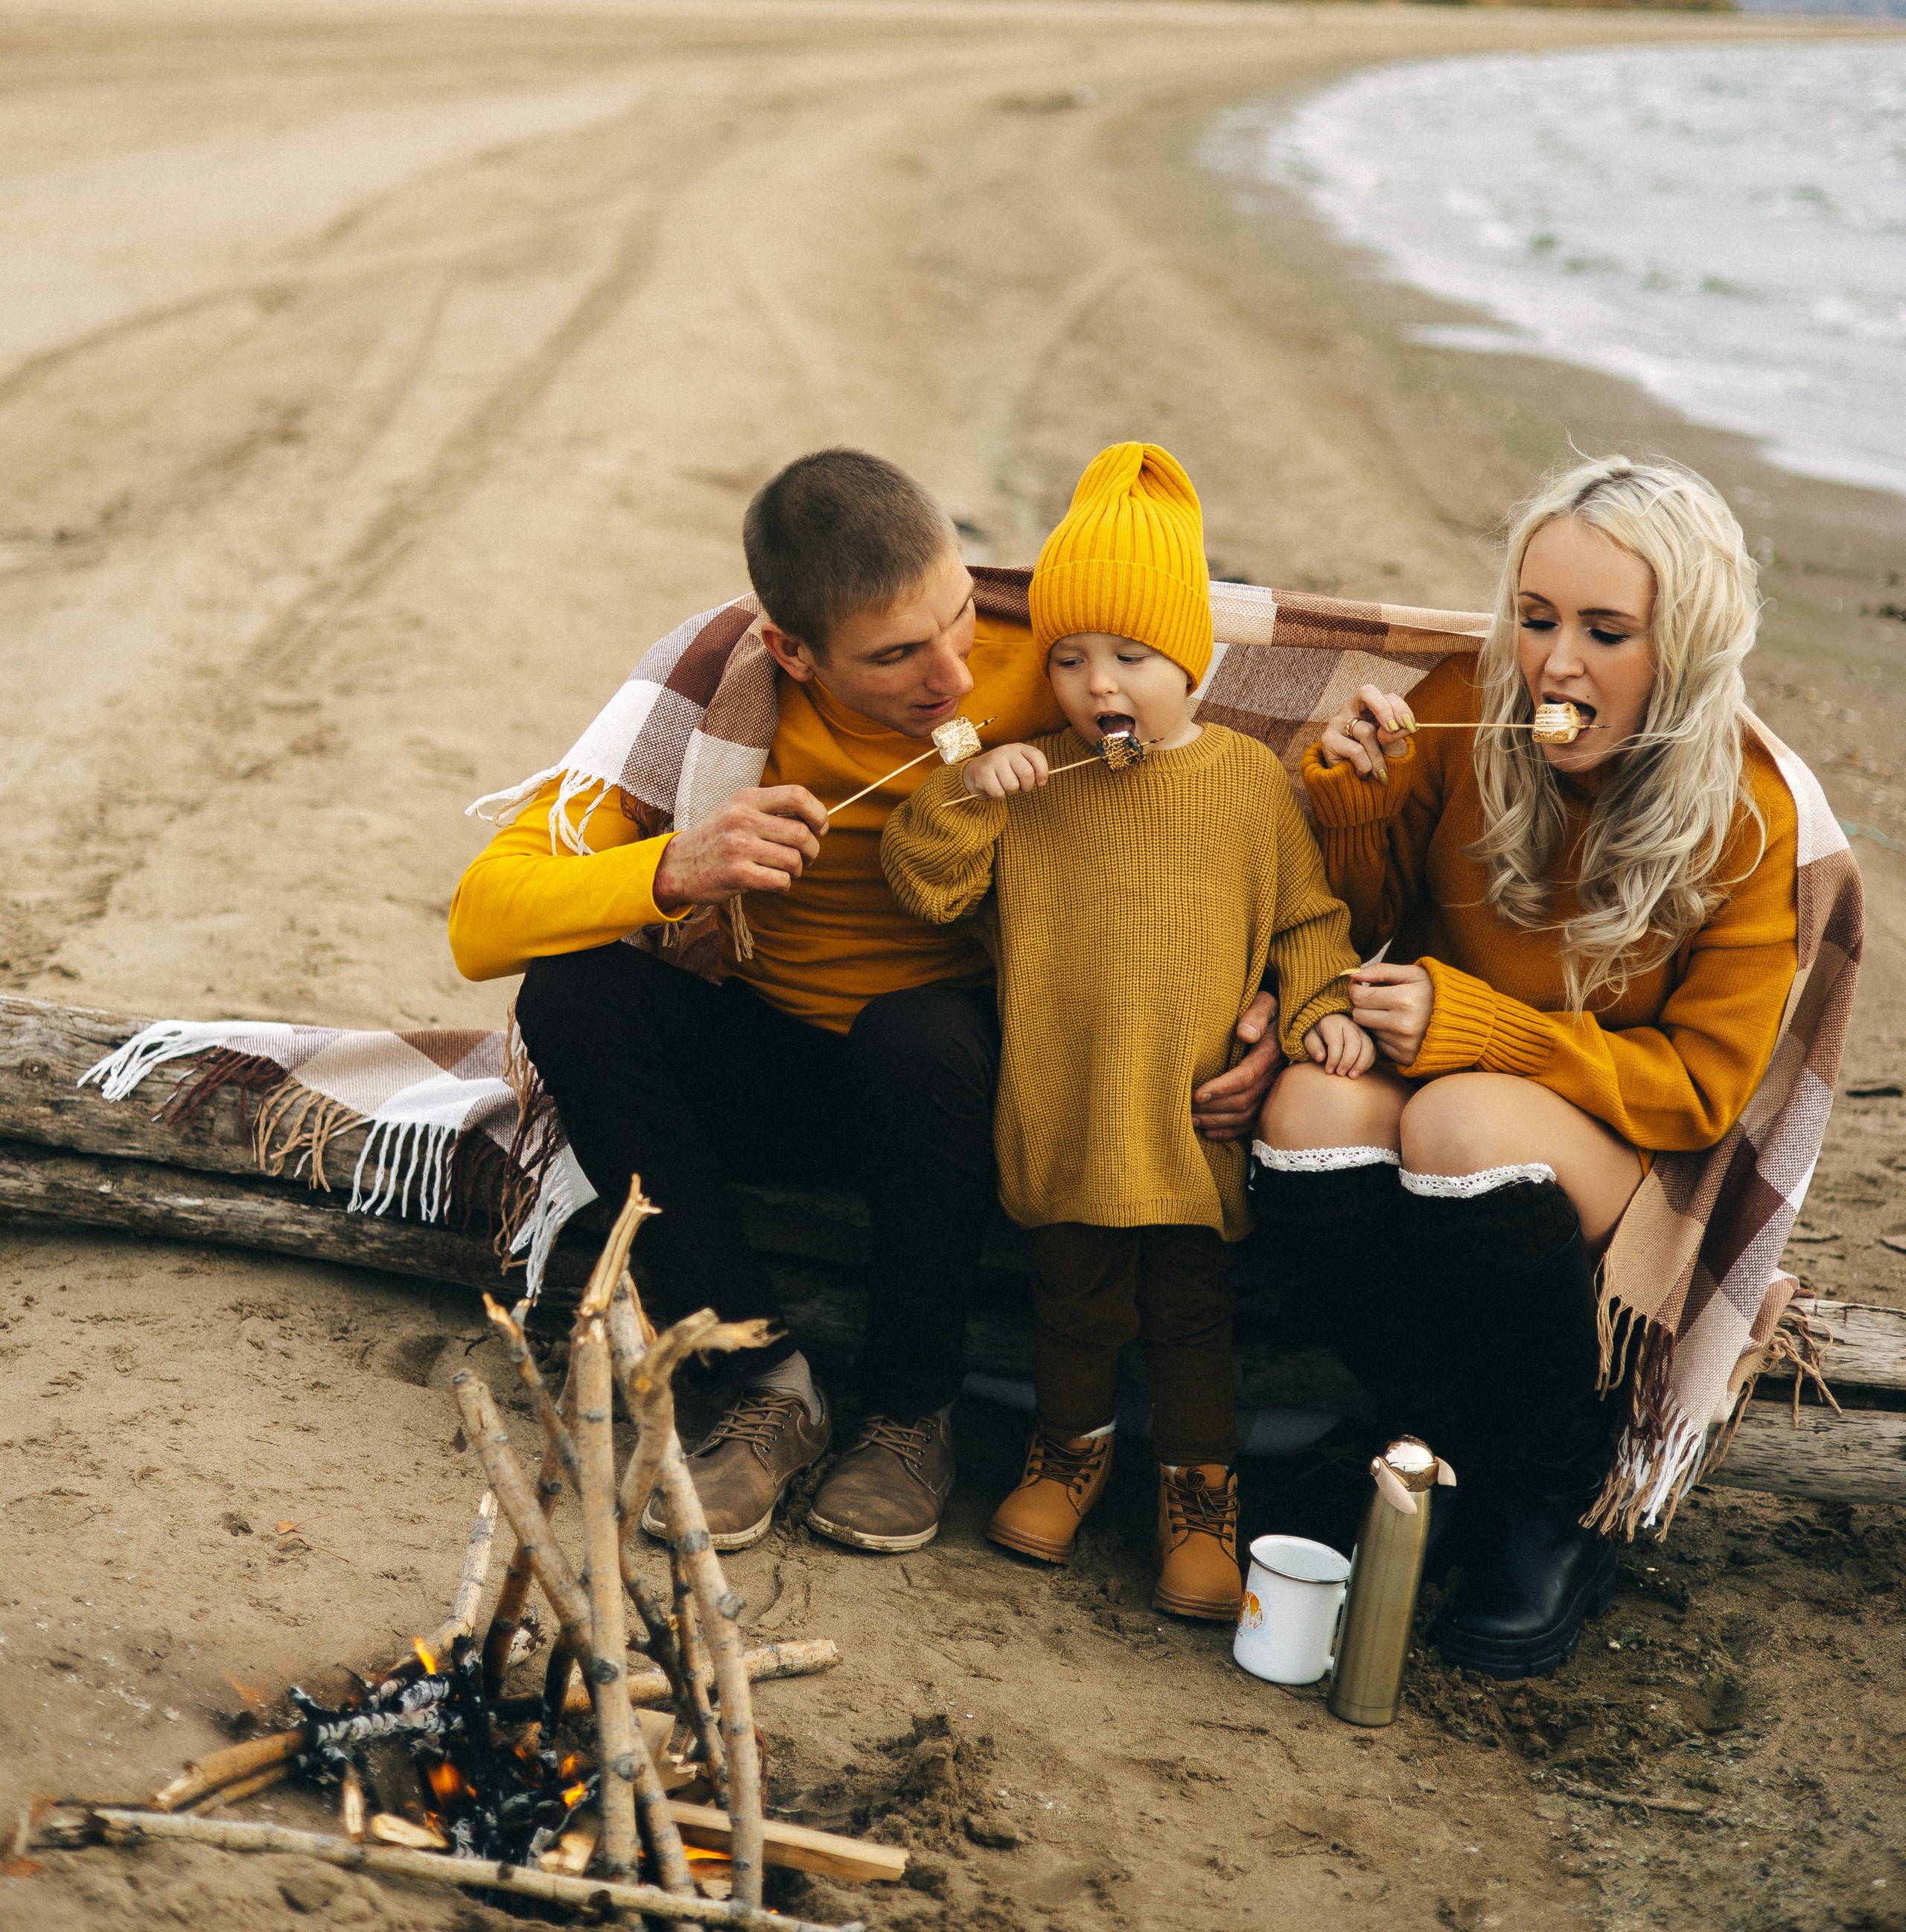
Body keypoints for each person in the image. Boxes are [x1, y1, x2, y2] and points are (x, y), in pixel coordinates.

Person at [448, 448, 1281, 1556]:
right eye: (896, 656)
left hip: (973, 1094)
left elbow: (1224, 806)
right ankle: (764, 1382)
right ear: (792, 650)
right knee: (574, 992)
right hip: (779, 1074)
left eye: (954, 624)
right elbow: (479, 922)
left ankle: (908, 1415)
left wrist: (1260, 994)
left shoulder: (1064, 659)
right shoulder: (719, 687)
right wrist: (674, 868)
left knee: (921, 1029)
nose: (949, 677)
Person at [1252, 454, 1800, 1677]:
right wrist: (1350, 801)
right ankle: (1429, 1444)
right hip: (1448, 1079)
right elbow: (1370, 923)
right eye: (1536, 618)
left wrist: (1490, 1035)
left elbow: (1702, 1089)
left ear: (1689, 645)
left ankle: (1551, 1497)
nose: (1555, 665)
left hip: (1619, 1150)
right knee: (1306, 1106)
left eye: (1608, 632)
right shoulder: (1463, 705)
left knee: (1461, 1124)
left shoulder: (1748, 815)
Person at [882, 444, 1371, 1622]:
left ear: (1190, 663)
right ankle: (1067, 1456)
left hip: (1189, 1123)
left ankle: (1198, 1502)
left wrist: (1320, 1016)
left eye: (1133, 658)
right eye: (1069, 659)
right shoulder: (1030, 782)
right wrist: (960, 790)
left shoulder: (1251, 783)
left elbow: (1308, 920)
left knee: (1193, 1319)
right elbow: (923, 885)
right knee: (1076, 1301)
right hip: (1064, 1110)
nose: (1101, 684)